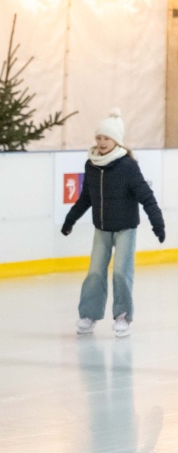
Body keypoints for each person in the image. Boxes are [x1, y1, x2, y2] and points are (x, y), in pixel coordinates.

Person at [62, 108, 165, 337]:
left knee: (121, 272)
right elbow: (86, 197)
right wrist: (70, 220)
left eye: (106, 138)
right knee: (95, 272)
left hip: (125, 227)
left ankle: (122, 316)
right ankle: (89, 314)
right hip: (101, 228)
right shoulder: (92, 165)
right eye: (98, 137)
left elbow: (146, 196)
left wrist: (158, 224)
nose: (101, 142)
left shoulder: (127, 166)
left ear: (116, 140)